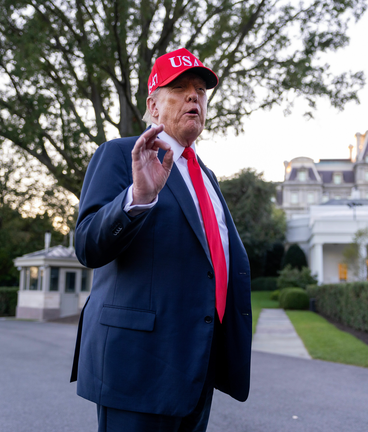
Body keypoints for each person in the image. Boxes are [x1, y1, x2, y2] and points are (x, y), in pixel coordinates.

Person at [71, 47, 252, 432]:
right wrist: (138, 199)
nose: (194, 97)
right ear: (153, 106)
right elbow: (87, 245)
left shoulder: (207, 177)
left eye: (201, 91)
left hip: (198, 367)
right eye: (180, 88)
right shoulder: (119, 154)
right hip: (136, 369)